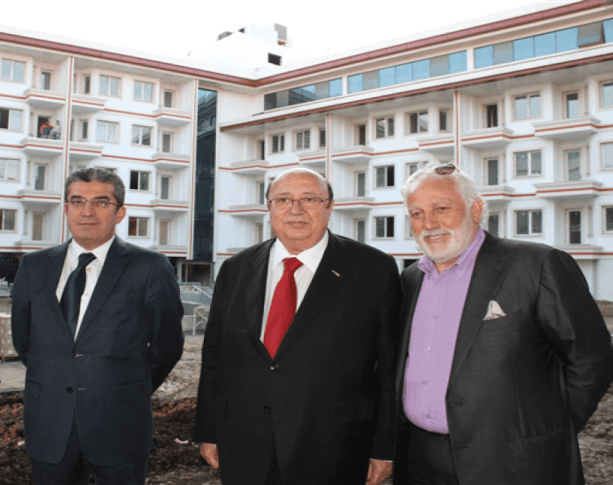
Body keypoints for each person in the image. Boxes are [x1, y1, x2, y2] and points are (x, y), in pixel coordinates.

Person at [393, 163, 613, 485]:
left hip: (515, 464)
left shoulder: (536, 265)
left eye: (442, 208)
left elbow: (591, 358)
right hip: (420, 462)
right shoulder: (409, 280)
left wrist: (549, 430)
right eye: (416, 213)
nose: (429, 223)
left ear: (475, 209)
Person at [194, 167, 401, 485]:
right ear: (269, 207)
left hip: (335, 447)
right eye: (283, 200)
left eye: (309, 199)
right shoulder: (235, 269)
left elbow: (389, 368)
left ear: (329, 206)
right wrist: (208, 430)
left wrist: (385, 446)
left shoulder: (374, 269)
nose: (296, 210)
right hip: (244, 444)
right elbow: (215, 359)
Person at [12, 167, 184, 485]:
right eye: (77, 201)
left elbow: (167, 345)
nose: (87, 211)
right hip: (49, 422)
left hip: (120, 422)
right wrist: (61, 377)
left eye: (101, 202)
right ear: (66, 208)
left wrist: (124, 388)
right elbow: (24, 341)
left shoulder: (150, 267)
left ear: (120, 213)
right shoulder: (33, 266)